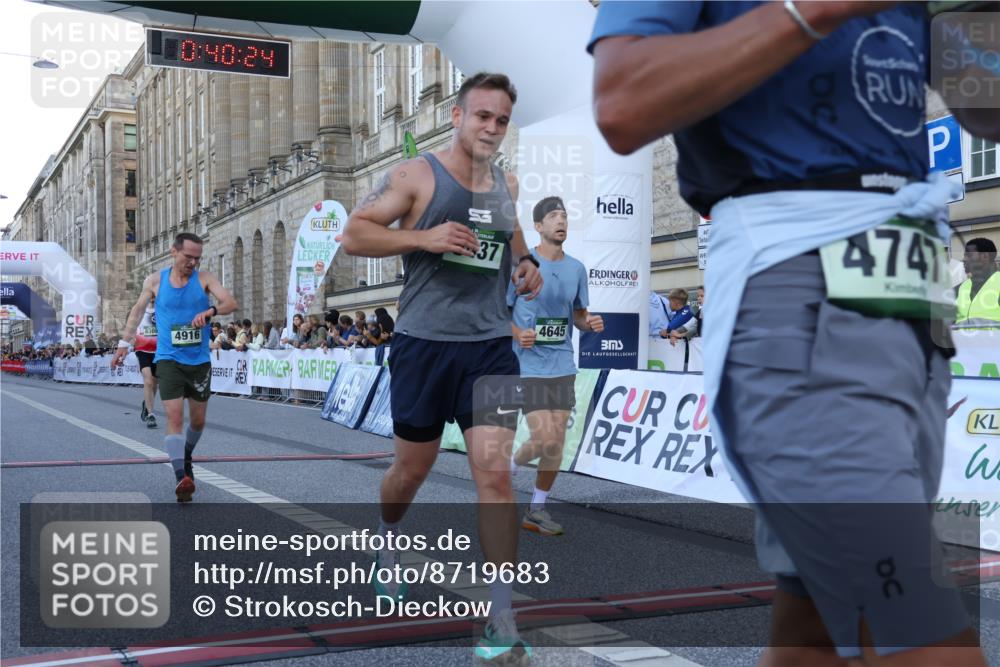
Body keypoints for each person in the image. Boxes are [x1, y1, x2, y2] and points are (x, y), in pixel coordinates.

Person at [591, 3, 997, 665]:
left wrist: (973, 18)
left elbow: (986, 108)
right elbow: (622, 103)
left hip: (913, 310)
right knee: (914, 619)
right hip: (793, 292)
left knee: (813, 621)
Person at [342, 71, 542, 664]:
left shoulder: (505, 182)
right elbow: (354, 236)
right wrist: (423, 240)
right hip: (425, 345)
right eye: (482, 115)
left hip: (490, 349)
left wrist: (527, 265)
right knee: (411, 470)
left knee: (496, 475)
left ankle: (499, 615)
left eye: (501, 120)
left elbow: (513, 241)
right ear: (456, 117)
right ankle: (388, 542)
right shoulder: (415, 175)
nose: (491, 127)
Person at [112, 233, 238, 503]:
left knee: (198, 421)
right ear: (174, 252)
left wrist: (210, 312)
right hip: (168, 358)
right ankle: (182, 475)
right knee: (174, 418)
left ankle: (186, 456)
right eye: (187, 257)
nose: (192, 262)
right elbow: (136, 311)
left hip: (199, 360)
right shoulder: (155, 281)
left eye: (197, 258)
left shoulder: (204, 279)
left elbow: (230, 303)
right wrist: (124, 342)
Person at [508, 196, 603, 536]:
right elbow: (495, 314)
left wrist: (587, 322)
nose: (561, 221)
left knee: (556, 445)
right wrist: (518, 333)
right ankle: (507, 469)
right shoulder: (523, 264)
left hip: (563, 363)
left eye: (564, 216)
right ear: (538, 226)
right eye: (553, 216)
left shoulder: (576, 268)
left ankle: (536, 509)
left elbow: (576, 315)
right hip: (528, 365)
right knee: (545, 436)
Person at [957, 238, 1000, 325]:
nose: (964, 259)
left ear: (985, 256)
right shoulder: (963, 286)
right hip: (963, 338)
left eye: (968, 255)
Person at [134, 297, 159, 429]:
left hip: (159, 350)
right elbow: (131, 329)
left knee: (155, 382)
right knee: (148, 381)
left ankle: (147, 404)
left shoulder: (162, 309)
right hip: (142, 349)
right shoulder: (139, 309)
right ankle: (151, 414)